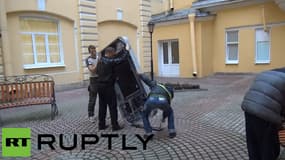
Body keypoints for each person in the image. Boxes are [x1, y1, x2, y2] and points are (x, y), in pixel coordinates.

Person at [241, 67, 285, 160]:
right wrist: (281, 124)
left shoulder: (273, 71)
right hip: (265, 113)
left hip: (249, 107)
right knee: (267, 146)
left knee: (253, 143)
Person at [139, 74, 176, 139]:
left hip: (151, 100)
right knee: (170, 112)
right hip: (163, 101)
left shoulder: (156, 85)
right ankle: (172, 131)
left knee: (144, 115)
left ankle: (148, 133)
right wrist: (163, 118)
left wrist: (140, 75)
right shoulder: (169, 94)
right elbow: (167, 111)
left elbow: (147, 80)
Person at [95, 47, 123, 131]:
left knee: (102, 106)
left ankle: (101, 125)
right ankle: (115, 126)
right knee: (112, 106)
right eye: (113, 54)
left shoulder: (100, 61)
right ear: (110, 53)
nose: (114, 55)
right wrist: (127, 50)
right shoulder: (109, 61)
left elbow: (97, 72)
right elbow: (120, 59)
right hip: (108, 87)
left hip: (100, 86)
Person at [85, 45, 99, 123]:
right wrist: (98, 64)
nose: (94, 52)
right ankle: (90, 115)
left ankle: (102, 115)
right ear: (89, 52)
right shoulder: (88, 59)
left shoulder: (98, 57)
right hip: (93, 80)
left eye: (94, 50)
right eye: (92, 51)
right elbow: (92, 70)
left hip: (101, 79)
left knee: (103, 98)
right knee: (92, 99)